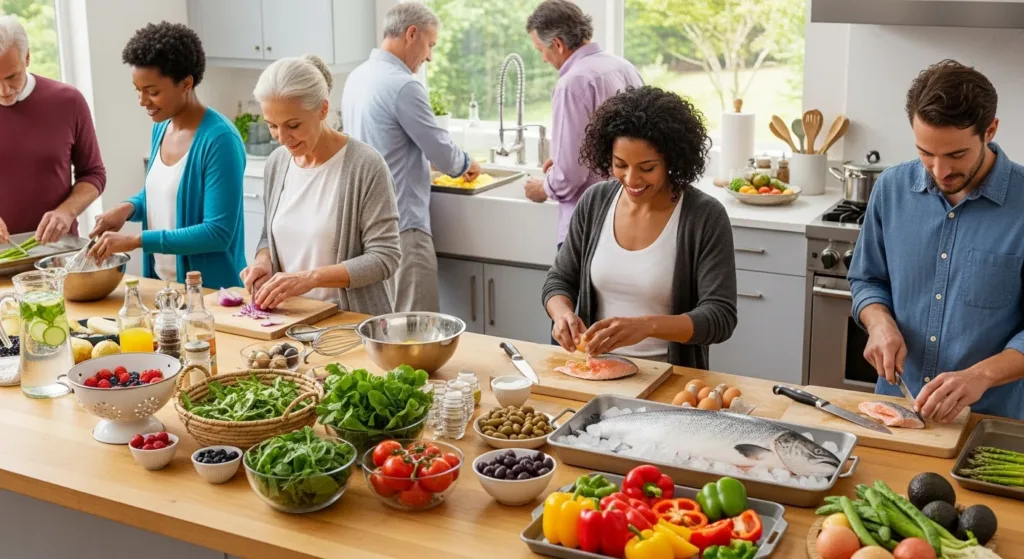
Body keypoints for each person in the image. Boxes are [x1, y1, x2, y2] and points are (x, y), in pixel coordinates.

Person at [849, 59, 1024, 422]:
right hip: (896, 411)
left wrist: (981, 376)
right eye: (925, 153)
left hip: (992, 422)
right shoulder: (891, 188)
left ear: (990, 130)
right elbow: (868, 279)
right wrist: (879, 322)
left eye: (956, 154)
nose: (940, 171)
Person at [542, 86, 737, 367]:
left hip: (670, 380)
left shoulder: (704, 216)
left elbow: (720, 317)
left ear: (672, 160)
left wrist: (646, 326)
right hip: (594, 371)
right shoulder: (595, 202)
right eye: (620, 164)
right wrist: (562, 314)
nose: (631, 179)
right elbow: (559, 280)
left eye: (647, 168)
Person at [342, 2, 480, 313]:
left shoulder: (358, 77)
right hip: (404, 226)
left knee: (383, 325)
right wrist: (466, 163)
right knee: (417, 327)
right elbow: (442, 153)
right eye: (430, 44)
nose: (429, 56)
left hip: (368, 226)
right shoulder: (404, 85)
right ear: (411, 33)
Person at [240, 55, 401, 316]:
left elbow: (385, 258)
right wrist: (263, 261)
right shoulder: (277, 163)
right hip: (290, 321)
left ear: (323, 110)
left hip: (348, 325)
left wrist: (310, 278)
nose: (282, 139)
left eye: (293, 125)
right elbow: (267, 235)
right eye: (272, 126)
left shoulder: (366, 166)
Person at [89, 22, 246, 289]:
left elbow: (217, 233)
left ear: (186, 83)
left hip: (211, 293)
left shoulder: (220, 140)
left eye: (153, 92)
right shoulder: (161, 127)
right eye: (137, 90)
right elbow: (165, 192)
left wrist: (137, 241)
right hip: (164, 289)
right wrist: (128, 208)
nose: (142, 101)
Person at [523, 0, 643, 248]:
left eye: (540, 49)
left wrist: (544, 188)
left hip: (587, 227)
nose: (543, 58)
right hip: (629, 218)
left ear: (558, 44)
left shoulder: (572, 83)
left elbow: (570, 174)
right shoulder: (624, 67)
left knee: (575, 288)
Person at [0, 15, 106, 245]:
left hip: (57, 255)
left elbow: (94, 173)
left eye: (12, 76)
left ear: (27, 58)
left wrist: (67, 211)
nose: (4, 90)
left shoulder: (68, 102)